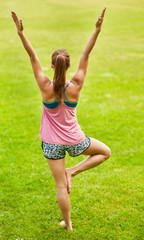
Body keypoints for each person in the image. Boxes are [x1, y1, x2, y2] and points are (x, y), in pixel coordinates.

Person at [11, 7, 111, 231]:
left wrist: (20, 33)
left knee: (60, 186)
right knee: (105, 152)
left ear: (52, 66)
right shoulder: (75, 86)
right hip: (76, 140)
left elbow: (32, 56)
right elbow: (86, 55)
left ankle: (68, 226)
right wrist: (97, 30)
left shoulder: (45, 86)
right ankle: (73, 171)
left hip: (52, 144)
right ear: (68, 66)